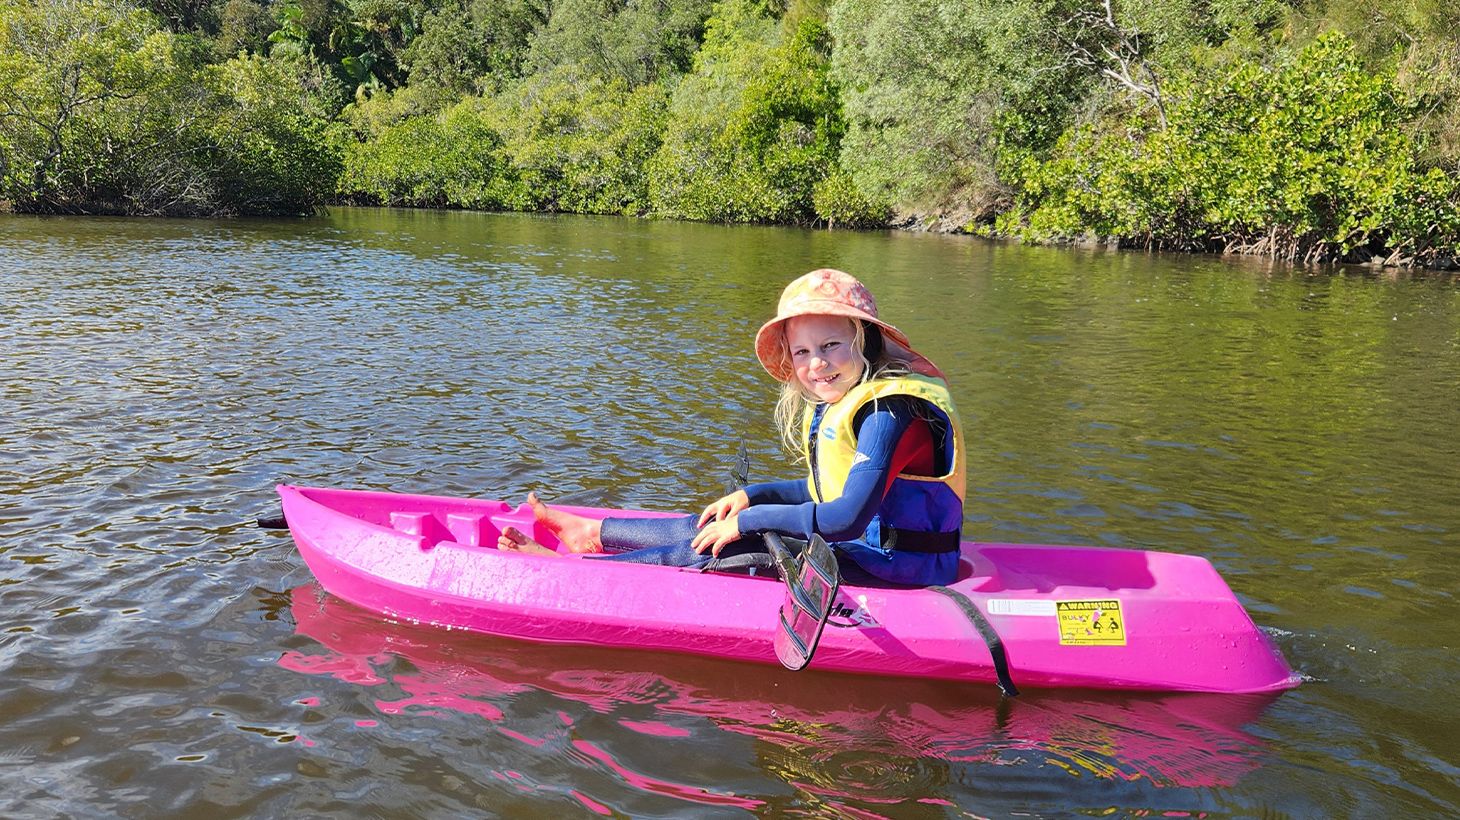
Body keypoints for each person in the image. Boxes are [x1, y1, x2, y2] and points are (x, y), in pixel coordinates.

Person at [498, 268, 967, 587]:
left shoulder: (890, 411)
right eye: (802, 352)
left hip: (902, 567)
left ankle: (575, 577)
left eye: (831, 345)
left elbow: (846, 518)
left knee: (739, 544)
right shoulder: (851, 394)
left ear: (863, 339)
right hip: (867, 550)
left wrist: (751, 520)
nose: (817, 364)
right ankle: (595, 535)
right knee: (717, 524)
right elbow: (828, 489)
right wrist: (753, 496)